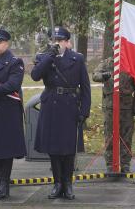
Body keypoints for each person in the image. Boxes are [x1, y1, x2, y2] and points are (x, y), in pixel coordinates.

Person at [31, 26, 91, 200]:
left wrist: (84, 111)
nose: (57, 44)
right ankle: (57, 184)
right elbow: (35, 75)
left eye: (60, 40)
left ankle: (68, 184)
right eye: (54, 40)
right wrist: (49, 56)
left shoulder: (77, 59)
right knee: (54, 148)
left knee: (68, 149)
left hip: (69, 106)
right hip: (51, 106)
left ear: (67, 42)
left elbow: (85, 88)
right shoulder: (44, 57)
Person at [0, 28, 26, 200]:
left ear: (6, 43)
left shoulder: (15, 62)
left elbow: (12, 85)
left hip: (8, 110)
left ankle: (4, 185)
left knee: (6, 149)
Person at [92, 53, 135, 173]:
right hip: (110, 107)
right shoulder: (107, 63)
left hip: (126, 107)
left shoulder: (131, 63)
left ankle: (125, 164)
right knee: (110, 136)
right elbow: (95, 75)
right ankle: (110, 164)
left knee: (126, 137)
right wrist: (103, 76)